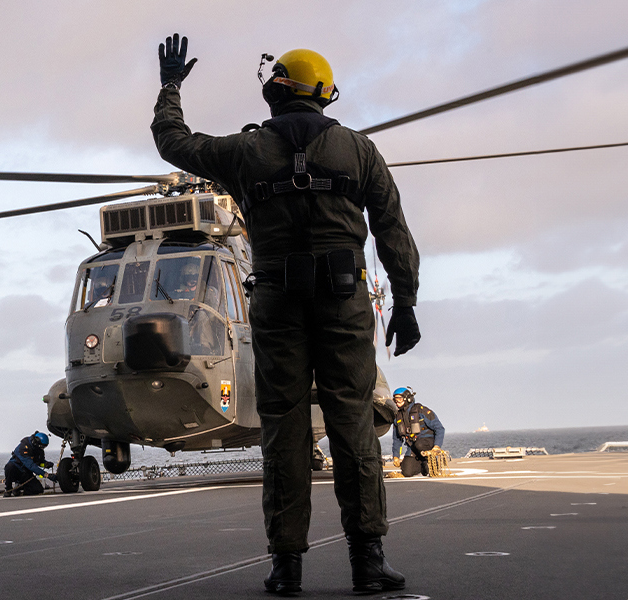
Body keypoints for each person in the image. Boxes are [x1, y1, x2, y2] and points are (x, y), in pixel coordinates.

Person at [150, 35, 421, 595]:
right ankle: (367, 562)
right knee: (352, 425)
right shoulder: (359, 151)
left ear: (274, 93)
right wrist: (406, 301)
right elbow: (393, 230)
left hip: (276, 304)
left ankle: (287, 566)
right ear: (324, 94)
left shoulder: (243, 152)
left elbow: (173, 141)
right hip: (344, 303)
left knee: (284, 429)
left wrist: (170, 86)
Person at [390, 388, 446, 477]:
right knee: (407, 472)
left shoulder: (421, 411)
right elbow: (397, 439)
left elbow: (439, 428)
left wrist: (437, 446)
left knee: (419, 444)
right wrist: (396, 456)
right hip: (413, 446)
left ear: (407, 398)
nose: (397, 402)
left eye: (399, 399)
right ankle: (422, 465)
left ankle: (432, 461)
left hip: (426, 442)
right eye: (395, 400)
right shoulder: (398, 417)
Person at [3, 432, 55, 497]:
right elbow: (31, 465)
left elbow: (39, 462)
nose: (42, 448)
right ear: (36, 443)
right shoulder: (23, 447)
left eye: (44, 447)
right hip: (16, 470)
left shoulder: (39, 450)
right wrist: (46, 475)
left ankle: (20, 489)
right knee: (9, 467)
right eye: (42, 446)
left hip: (26, 473)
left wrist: (46, 464)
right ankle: (8, 489)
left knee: (38, 489)